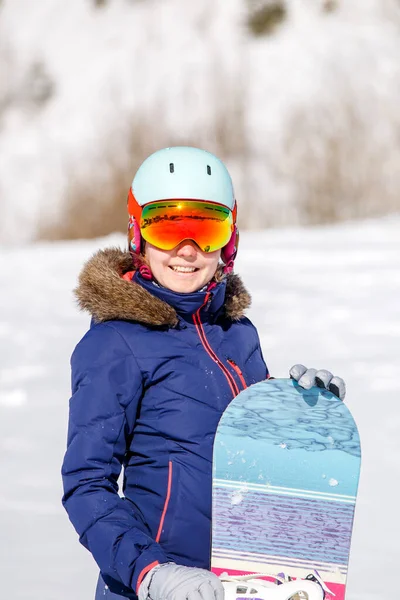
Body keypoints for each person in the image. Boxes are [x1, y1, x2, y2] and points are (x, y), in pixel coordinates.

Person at [61, 146, 345, 600]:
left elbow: (250, 453)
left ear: (229, 240)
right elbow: (86, 484)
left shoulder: (236, 333)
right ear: (139, 234)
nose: (187, 250)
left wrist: (300, 412)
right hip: (158, 587)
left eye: (206, 229)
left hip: (242, 582)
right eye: (167, 226)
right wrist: (153, 573)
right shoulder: (114, 344)